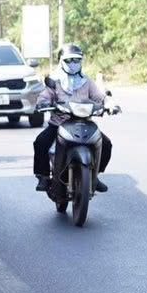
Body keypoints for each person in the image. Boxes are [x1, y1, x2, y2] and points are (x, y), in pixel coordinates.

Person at [32, 42, 112, 193]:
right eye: (69, 60)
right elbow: (44, 97)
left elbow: (100, 97)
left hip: (84, 123)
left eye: (76, 60)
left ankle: (95, 175)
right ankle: (43, 177)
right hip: (59, 124)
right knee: (40, 142)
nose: (73, 64)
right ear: (61, 61)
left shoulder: (87, 81)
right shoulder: (54, 81)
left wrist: (110, 103)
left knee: (106, 144)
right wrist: (43, 103)